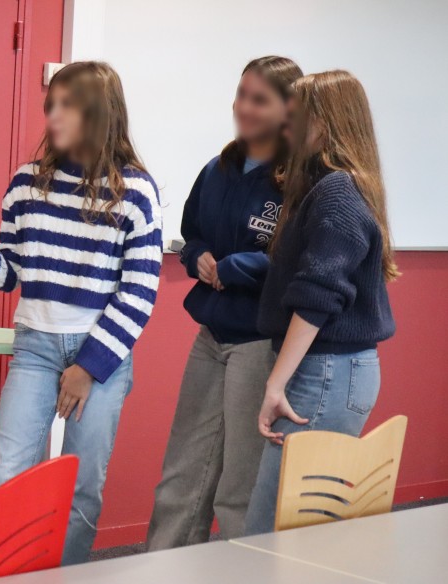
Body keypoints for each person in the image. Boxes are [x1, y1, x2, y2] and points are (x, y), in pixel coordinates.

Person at [0, 61, 162, 564]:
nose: (53, 117)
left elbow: (139, 292)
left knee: (81, 489)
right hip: (36, 349)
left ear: (98, 113)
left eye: (66, 106)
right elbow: (10, 273)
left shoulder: (135, 192)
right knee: (4, 477)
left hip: (100, 359)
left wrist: (87, 368)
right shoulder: (27, 185)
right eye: (51, 106)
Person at [147, 56, 302, 549]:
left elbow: (297, 262)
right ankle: (162, 569)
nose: (244, 107)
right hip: (211, 336)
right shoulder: (217, 169)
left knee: (239, 484)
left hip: (259, 343)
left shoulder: (300, 179)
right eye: (241, 94)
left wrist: (236, 267)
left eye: (259, 99)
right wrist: (198, 258)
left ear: (287, 109)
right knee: (182, 472)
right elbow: (189, 235)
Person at [244, 70, 397, 535]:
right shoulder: (341, 186)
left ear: (325, 125)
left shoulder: (337, 194)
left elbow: (317, 298)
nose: (286, 129)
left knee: (271, 530)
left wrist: (276, 384)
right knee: (302, 529)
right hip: (333, 370)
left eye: (297, 119)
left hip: (325, 372)